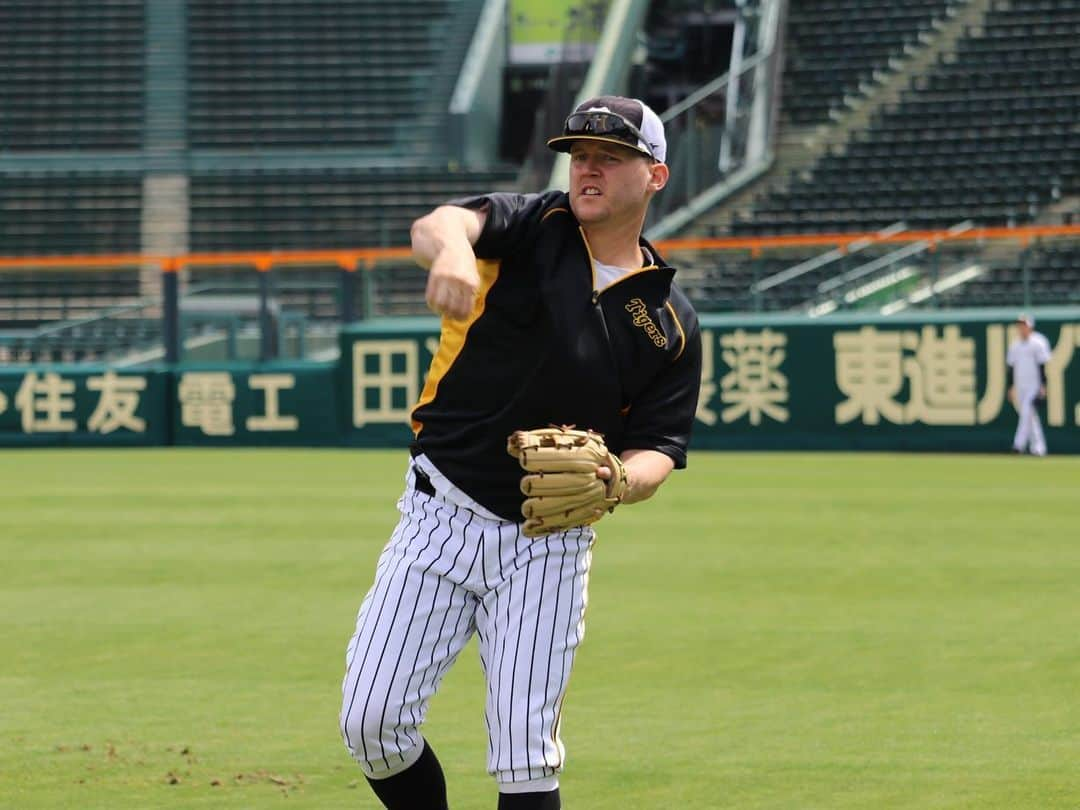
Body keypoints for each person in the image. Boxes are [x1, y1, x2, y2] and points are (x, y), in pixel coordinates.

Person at [339, 95, 703, 809]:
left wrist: (619, 478)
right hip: (440, 512)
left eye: (611, 156)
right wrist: (450, 252)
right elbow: (442, 223)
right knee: (372, 723)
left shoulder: (668, 323)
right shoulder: (536, 226)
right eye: (580, 154)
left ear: (654, 175)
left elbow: (660, 446)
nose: (588, 168)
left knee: (525, 755)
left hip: (551, 539)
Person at [1007, 312, 1051, 456]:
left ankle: (1018, 445)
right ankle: (1039, 448)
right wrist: (1012, 386)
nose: (1021, 328)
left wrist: (1043, 386)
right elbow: (1011, 368)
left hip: (1034, 385)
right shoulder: (1015, 345)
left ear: (1030, 326)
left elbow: (1043, 366)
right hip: (1020, 386)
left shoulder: (1038, 342)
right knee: (1030, 417)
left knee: (1026, 413)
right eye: (1019, 325)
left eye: (1024, 325)